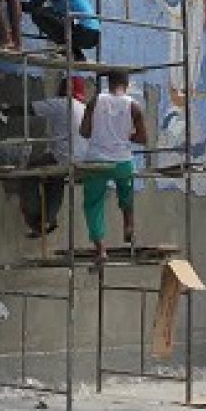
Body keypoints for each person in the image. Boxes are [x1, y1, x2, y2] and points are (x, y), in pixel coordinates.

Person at [79, 69, 148, 266]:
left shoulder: (95, 101)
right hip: (122, 161)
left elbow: (84, 132)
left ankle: (101, 249)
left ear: (108, 83)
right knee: (126, 192)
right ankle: (128, 225)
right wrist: (124, 135)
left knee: (93, 204)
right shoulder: (134, 107)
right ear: (126, 84)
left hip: (96, 161)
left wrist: (102, 134)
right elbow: (143, 139)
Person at [21, 77, 88, 238]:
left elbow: (31, 108)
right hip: (82, 159)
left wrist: (5, 110)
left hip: (64, 157)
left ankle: (37, 218)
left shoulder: (62, 103)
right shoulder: (84, 108)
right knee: (56, 178)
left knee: (29, 172)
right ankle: (48, 219)